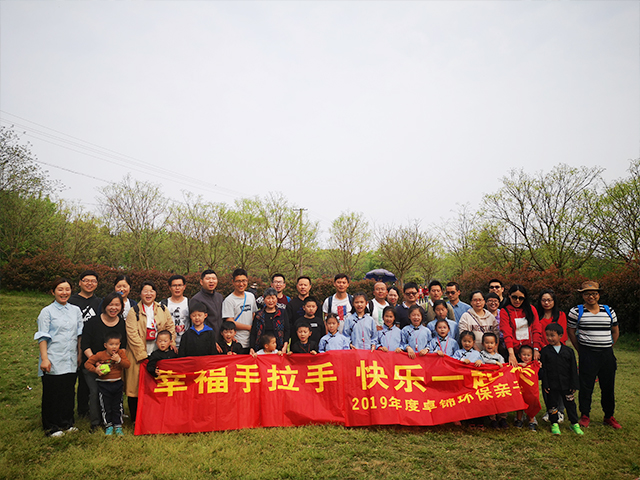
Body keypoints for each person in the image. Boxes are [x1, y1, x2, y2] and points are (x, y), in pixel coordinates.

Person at [567, 281, 621, 429]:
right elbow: (571, 332)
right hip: (587, 354)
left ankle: (609, 416)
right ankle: (585, 415)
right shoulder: (576, 311)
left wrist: (608, 345)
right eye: (587, 294)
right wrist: (580, 350)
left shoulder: (608, 310)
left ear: (599, 294)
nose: (591, 296)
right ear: (582, 295)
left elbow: (615, 331)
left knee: (608, 386)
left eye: (594, 293)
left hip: (607, 355)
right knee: (586, 386)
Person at [35, 278, 83, 437]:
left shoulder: (75, 310)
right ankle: (51, 426)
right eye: (60, 289)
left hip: (70, 358)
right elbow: (43, 337)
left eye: (67, 289)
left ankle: (66, 423)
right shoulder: (47, 312)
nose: (64, 293)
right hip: (53, 357)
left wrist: (79, 354)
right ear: (53, 292)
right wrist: (45, 358)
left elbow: (79, 334)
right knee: (52, 393)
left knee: (68, 392)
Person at [124, 281, 175, 423]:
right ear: (140, 294)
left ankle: (155, 416)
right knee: (135, 387)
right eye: (145, 291)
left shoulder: (162, 309)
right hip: (137, 353)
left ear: (156, 293)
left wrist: (170, 343)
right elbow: (132, 334)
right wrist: (142, 355)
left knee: (156, 384)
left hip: (159, 351)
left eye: (151, 291)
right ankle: (135, 419)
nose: (148, 294)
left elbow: (170, 327)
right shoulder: (133, 311)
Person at [80, 292, 127, 431]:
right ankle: (96, 422)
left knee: (114, 393)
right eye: (110, 304)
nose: (114, 308)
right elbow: (85, 344)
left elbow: (123, 346)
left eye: (117, 305)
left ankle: (114, 419)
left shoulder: (122, 323)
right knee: (95, 392)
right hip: (93, 363)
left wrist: (118, 359)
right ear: (105, 306)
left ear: (121, 307)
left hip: (113, 367)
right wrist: (96, 363)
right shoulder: (92, 322)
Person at [69, 269, 102, 419]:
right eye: (86, 280)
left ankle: (85, 409)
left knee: (87, 379)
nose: (90, 283)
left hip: (91, 346)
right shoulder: (71, 301)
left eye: (93, 281)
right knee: (71, 380)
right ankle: (69, 410)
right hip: (72, 344)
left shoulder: (99, 302)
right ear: (80, 283)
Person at [540, 323, 584, 436]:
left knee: (570, 404)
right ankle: (554, 423)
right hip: (552, 384)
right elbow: (544, 369)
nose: (549, 338)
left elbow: (573, 369)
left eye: (552, 335)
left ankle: (574, 423)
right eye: (547, 335)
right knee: (552, 404)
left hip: (567, 384)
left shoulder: (568, 351)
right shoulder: (545, 351)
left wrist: (574, 384)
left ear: (560, 336)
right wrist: (545, 384)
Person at [84, 332, 130, 436]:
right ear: (105, 345)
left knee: (117, 406)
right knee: (106, 407)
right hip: (104, 385)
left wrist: (119, 360)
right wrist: (96, 370)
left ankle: (118, 426)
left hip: (117, 384)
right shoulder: (100, 355)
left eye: (117, 344)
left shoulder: (120, 354)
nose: (114, 347)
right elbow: (87, 364)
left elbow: (127, 365)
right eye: (111, 344)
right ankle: (108, 425)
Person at [500, 284, 543, 367]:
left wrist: (536, 349)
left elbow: (536, 329)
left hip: (530, 352)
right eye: (514, 297)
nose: (517, 300)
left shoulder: (531, 309)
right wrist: (511, 354)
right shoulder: (505, 311)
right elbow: (507, 333)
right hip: (514, 351)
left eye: (521, 298)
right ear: (509, 296)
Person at [222, 268, 258, 354]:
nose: (241, 284)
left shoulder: (251, 296)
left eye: (243, 281)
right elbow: (229, 321)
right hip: (237, 342)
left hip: (251, 341)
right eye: (238, 281)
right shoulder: (229, 300)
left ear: (247, 280)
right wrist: (249, 328)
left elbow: (253, 314)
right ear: (233, 282)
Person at [250, 287, 289, 356]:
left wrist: (285, 346)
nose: (271, 301)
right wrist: (252, 348)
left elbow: (287, 330)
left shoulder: (282, 312)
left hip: (279, 348)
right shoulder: (259, 314)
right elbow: (253, 332)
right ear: (264, 300)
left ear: (276, 299)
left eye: (273, 298)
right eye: (268, 298)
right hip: (261, 349)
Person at [480, 332, 507, 429]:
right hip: (487, 381)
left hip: (498, 381)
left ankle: (502, 418)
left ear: (496, 344)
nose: (489, 345)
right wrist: (494, 362)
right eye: (487, 343)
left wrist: (499, 364)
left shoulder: (499, 357)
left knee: (501, 399)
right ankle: (492, 419)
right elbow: (483, 362)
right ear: (483, 344)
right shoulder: (481, 354)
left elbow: (503, 366)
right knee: (490, 399)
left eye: (492, 343)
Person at [190, 269, 224, 338]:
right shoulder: (196, 299)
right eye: (208, 279)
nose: (211, 281)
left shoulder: (219, 297)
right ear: (201, 282)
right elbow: (197, 323)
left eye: (214, 279)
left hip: (222, 338)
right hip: (206, 338)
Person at [161, 274, 190, 348]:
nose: (177, 288)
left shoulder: (190, 303)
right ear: (169, 287)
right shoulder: (162, 305)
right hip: (168, 345)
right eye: (174, 285)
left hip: (187, 344)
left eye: (180, 285)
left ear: (184, 287)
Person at [514, 344, 538, 430]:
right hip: (520, 390)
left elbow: (539, 365)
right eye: (524, 355)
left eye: (528, 355)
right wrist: (519, 365)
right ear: (519, 355)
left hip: (531, 391)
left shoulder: (534, 365)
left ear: (532, 356)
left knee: (531, 405)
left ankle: (531, 420)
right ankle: (519, 420)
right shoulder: (517, 365)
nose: (526, 357)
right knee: (520, 404)